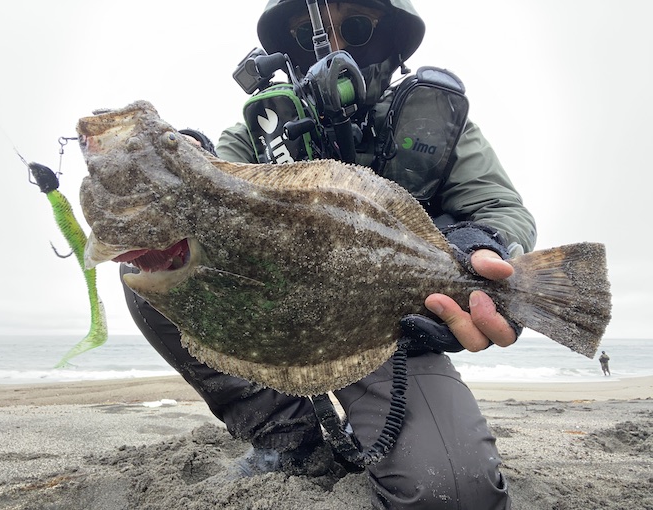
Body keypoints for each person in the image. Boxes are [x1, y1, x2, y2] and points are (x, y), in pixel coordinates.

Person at [120, 1, 537, 508]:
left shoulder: (436, 121)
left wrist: (476, 247)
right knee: (154, 270)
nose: (335, 44)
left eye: (358, 27)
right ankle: (286, 435)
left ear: (392, 40)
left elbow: (500, 208)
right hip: (277, 313)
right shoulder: (261, 126)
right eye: (310, 32)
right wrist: (179, 171)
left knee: (452, 492)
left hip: (392, 328)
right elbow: (215, 181)